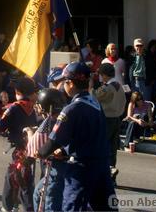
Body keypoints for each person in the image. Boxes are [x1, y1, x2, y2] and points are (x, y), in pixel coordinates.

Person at [38, 62, 116, 212]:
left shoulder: (71, 109)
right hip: (102, 165)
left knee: (73, 207)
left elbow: (54, 141)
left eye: (65, 82)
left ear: (71, 84)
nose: (64, 85)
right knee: (105, 207)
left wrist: (40, 152)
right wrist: (65, 150)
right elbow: (87, 135)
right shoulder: (95, 103)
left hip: (81, 169)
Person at [0, 77, 38, 212]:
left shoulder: (14, 107)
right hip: (30, 148)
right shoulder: (32, 108)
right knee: (21, 179)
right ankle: (15, 207)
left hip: (19, 150)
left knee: (18, 180)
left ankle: (10, 208)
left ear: (18, 91)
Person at [27, 88, 67, 212]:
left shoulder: (52, 123)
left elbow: (39, 149)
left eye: (39, 104)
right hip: (67, 169)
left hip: (57, 169)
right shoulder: (63, 119)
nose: (37, 107)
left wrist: (29, 133)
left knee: (45, 198)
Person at [92, 63, 126, 181]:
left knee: (102, 148)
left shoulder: (107, 88)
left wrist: (91, 85)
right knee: (112, 149)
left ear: (104, 75)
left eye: (101, 74)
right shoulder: (119, 86)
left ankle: (104, 175)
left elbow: (94, 97)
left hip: (106, 120)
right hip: (117, 119)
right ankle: (111, 176)